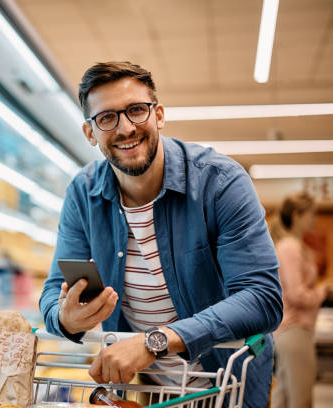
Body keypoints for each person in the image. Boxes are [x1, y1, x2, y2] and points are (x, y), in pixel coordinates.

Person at [39, 61, 283, 408]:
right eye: (107, 118)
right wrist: (64, 317)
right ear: (90, 133)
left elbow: (263, 297)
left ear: (159, 115)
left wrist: (155, 341)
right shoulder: (84, 194)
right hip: (149, 391)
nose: (125, 128)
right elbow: (52, 292)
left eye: (137, 110)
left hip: (227, 386)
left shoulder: (220, 183)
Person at [269, 193, 330, 408]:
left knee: (284, 397)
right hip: (294, 330)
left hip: (289, 331)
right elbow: (296, 294)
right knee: (300, 400)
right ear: (297, 215)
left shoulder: (293, 245)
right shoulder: (290, 247)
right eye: (312, 214)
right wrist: (323, 291)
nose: (314, 219)